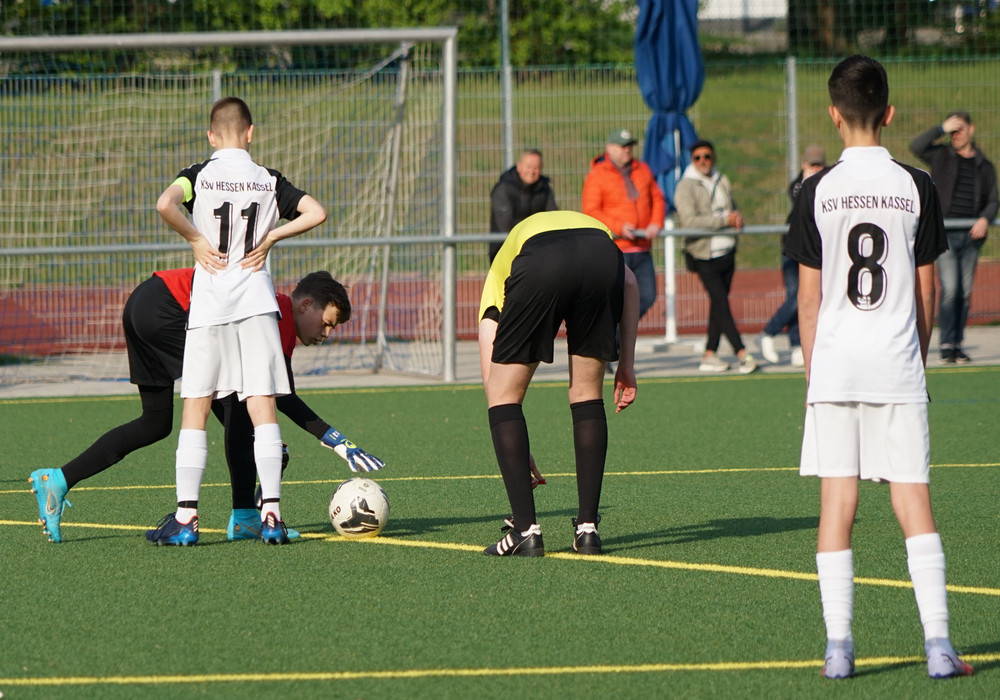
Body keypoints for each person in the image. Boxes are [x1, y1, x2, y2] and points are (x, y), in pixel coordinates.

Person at [785, 54, 973, 680]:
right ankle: (939, 645)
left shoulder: (815, 190)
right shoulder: (917, 185)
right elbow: (929, 294)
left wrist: (817, 378)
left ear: (834, 116)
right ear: (889, 114)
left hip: (836, 367)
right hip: (898, 363)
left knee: (837, 504)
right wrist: (913, 359)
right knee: (913, 504)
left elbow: (808, 301)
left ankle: (839, 649)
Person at [28, 269, 384, 544]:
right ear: (306, 305)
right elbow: (282, 395)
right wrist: (335, 438)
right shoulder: (276, 317)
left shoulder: (280, 322)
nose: (326, 334)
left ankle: (57, 479)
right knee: (235, 404)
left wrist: (333, 437)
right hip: (168, 307)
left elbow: (282, 391)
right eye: (326, 324)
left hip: (146, 301)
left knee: (156, 422)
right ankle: (243, 518)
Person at [148, 96, 327, 546]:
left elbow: (164, 204)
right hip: (256, 303)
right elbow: (317, 212)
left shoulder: (199, 174)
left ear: (212, 136)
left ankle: (186, 520)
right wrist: (271, 237)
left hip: (210, 306)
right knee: (262, 406)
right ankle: (271, 516)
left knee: (196, 405)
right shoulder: (268, 180)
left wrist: (193, 237)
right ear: (251, 133)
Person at [478, 210, 639, 557]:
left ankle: (525, 531)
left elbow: (495, 382)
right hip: (602, 254)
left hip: (543, 261)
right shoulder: (589, 225)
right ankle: (587, 530)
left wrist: (513, 443)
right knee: (586, 394)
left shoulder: (499, 270)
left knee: (504, 396)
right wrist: (625, 364)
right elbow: (629, 284)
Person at [910, 110, 998, 364]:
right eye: (952, 131)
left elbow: (993, 199)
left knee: (965, 291)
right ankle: (946, 344)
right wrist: (940, 128)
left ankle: (957, 343)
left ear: (972, 128)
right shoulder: (941, 157)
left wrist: (984, 218)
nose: (956, 135)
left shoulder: (984, 164)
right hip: (946, 235)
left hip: (971, 238)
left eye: (960, 129)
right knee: (950, 289)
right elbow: (916, 146)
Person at [673, 139, 758, 374]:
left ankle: (710, 353)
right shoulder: (685, 186)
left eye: (707, 157)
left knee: (717, 305)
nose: (703, 161)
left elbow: (732, 207)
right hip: (703, 253)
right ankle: (741, 352)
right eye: (698, 157)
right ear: (692, 160)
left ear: (713, 158)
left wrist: (736, 217)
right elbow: (689, 222)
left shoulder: (722, 179)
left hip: (727, 251)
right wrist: (723, 221)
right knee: (721, 302)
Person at [582, 128, 665, 321]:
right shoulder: (597, 175)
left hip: (642, 248)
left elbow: (658, 199)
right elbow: (591, 211)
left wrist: (655, 222)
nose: (627, 150)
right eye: (622, 146)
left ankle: (617, 338)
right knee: (614, 299)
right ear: (610, 148)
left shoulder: (642, 170)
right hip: (616, 248)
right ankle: (615, 341)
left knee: (647, 296)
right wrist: (619, 228)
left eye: (630, 146)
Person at [760, 145, 827, 367]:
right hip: (793, 249)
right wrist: (809, 181)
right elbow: (802, 207)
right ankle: (769, 332)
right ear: (804, 165)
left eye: (819, 164)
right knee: (796, 295)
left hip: (814, 249)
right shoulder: (799, 185)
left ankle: (797, 343)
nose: (816, 168)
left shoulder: (827, 183)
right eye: (812, 164)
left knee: (807, 295)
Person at [488, 148, 558, 263]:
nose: (532, 171)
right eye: (528, 166)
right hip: (504, 250)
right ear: (519, 167)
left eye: (536, 168)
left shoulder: (545, 189)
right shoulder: (504, 188)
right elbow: (504, 227)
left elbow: (552, 219)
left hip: (537, 250)